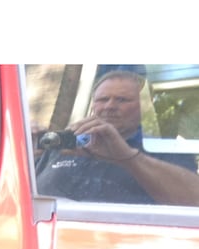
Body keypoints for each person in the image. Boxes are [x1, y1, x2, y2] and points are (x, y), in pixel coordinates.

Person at [36, 69, 199, 206]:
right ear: (92, 106)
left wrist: (128, 158)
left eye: (122, 100)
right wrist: (27, 153)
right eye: (103, 99)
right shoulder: (64, 145)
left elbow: (193, 200)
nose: (110, 106)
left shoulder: (165, 151)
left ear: (144, 107)